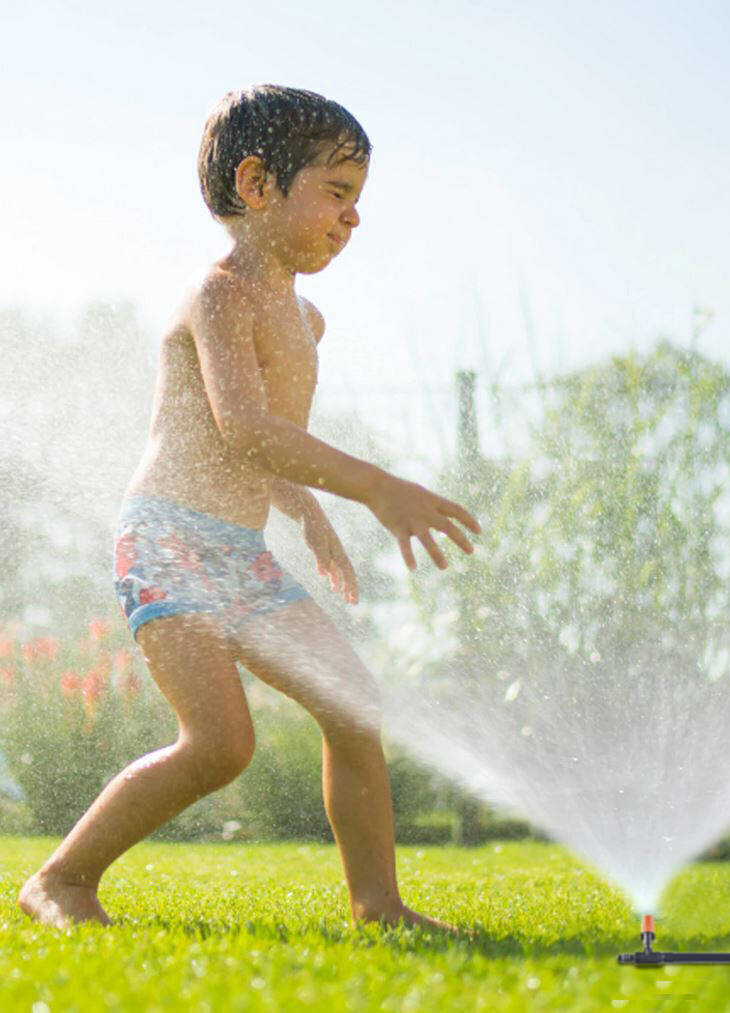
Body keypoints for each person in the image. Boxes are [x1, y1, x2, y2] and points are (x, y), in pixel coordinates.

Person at [18, 84, 480, 932]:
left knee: (354, 706)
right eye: (336, 193)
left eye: (357, 201)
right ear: (259, 182)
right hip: (167, 539)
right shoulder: (220, 293)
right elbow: (242, 426)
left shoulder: (307, 316)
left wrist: (306, 516)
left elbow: (269, 444)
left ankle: (378, 904)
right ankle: (61, 879)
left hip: (238, 549)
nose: (351, 219)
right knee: (221, 745)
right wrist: (375, 486)